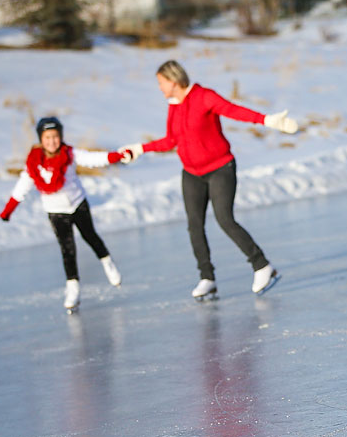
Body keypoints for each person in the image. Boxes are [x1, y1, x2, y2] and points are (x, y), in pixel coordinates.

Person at [117, 60, 299, 300]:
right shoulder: (174, 105)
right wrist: (140, 148)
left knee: (224, 219)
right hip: (192, 173)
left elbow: (234, 111)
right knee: (194, 225)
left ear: (173, 80)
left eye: (161, 83)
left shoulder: (204, 96)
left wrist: (267, 120)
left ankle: (262, 266)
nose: (160, 88)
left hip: (220, 168)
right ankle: (207, 278)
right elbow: (172, 140)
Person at [0, 117, 125, 313]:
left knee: (90, 236)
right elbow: (21, 188)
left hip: (77, 204)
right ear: (41, 139)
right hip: (55, 211)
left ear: (61, 137)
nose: (52, 141)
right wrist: (8, 211)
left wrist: (117, 156)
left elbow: (93, 159)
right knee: (67, 249)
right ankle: (72, 287)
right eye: (48, 137)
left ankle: (107, 262)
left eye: (56, 137)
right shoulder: (34, 163)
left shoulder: (70, 154)